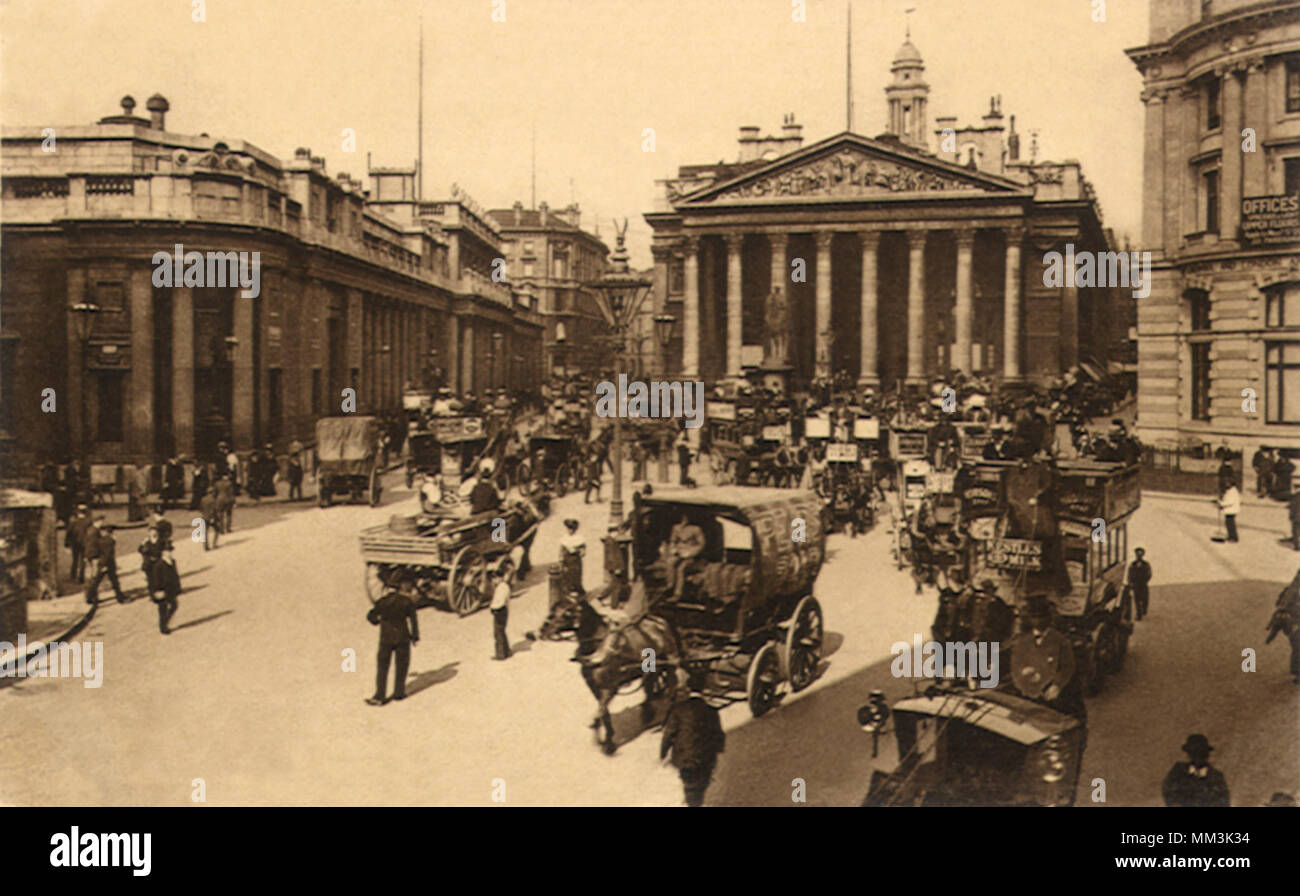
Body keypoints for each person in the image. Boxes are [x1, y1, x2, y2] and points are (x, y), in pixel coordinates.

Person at [1006, 596, 1086, 722]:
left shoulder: (1060, 640)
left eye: (1042, 617)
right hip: (1027, 690)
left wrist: (1057, 685)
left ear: (1049, 619)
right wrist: (1023, 679)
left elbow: (1068, 666)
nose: (1038, 621)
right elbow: (1015, 666)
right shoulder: (1022, 641)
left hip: (1051, 692)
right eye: (1035, 617)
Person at [660, 674, 726, 807]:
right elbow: (719, 735)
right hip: (705, 758)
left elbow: (668, 733)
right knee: (700, 785)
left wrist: (663, 752)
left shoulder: (678, 709)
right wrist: (716, 755)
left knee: (689, 783)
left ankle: (691, 801)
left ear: (688, 689)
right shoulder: (711, 710)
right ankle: (696, 801)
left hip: (684, 757)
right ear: (703, 690)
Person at [365, 573, 420, 705]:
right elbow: (413, 620)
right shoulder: (408, 602)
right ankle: (399, 693)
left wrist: (377, 621)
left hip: (386, 638)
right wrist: (415, 636)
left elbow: (370, 616)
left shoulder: (383, 602)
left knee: (383, 667)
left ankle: (380, 696)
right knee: (402, 666)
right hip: (403, 637)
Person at [1162, 734, 1230, 807]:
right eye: (1194, 753)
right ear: (1189, 754)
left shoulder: (1216, 777)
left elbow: (1223, 802)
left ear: (1207, 755)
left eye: (1202, 753)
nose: (1198, 757)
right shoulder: (1177, 772)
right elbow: (1169, 793)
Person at [84, 519, 127, 605]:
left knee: (97, 581)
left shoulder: (102, 539)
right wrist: (104, 565)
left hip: (103, 563)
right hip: (107, 564)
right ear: (112, 533)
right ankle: (120, 598)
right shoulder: (110, 541)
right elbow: (107, 554)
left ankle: (89, 597)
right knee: (113, 581)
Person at [151, 547, 181, 635]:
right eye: (168, 552)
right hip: (162, 590)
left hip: (171, 589)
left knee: (174, 605)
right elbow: (156, 579)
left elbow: (175, 575)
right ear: (163, 553)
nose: (170, 553)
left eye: (171, 551)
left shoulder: (173, 562)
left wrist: (178, 587)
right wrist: (158, 590)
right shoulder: (159, 565)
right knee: (162, 609)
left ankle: (165, 622)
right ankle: (163, 627)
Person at [490, 559, 514, 661]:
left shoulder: (502, 588)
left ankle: (500, 655)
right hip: (503, 611)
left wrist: (493, 609)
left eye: (495, 579)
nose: (493, 581)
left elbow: (500, 602)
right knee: (502, 631)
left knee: (498, 633)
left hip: (500, 611)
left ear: (499, 578)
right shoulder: (503, 586)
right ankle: (507, 651)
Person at [559, 518, 585, 597]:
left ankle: (577, 589)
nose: (570, 531)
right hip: (566, 559)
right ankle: (568, 591)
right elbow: (561, 550)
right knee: (566, 575)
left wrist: (577, 550)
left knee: (576, 575)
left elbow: (583, 551)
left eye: (572, 529)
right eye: (569, 529)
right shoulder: (564, 538)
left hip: (575, 560)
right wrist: (561, 559)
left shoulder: (579, 538)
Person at [1127, 547, 1152, 621]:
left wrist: (1145, 580)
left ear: (1142, 555)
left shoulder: (1146, 564)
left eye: (1140, 554)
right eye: (1137, 554)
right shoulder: (1133, 564)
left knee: (1145, 599)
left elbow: (1149, 574)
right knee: (1137, 600)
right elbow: (1130, 574)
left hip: (1143, 584)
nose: (1139, 556)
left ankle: (1144, 609)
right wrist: (1130, 582)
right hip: (1136, 584)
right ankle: (1139, 614)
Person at [1219, 478, 1241, 543]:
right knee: (1228, 523)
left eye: (1227, 483)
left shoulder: (1233, 492)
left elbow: (1230, 501)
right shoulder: (1230, 491)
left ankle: (1233, 537)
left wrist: (1221, 503)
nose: (1226, 485)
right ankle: (1230, 536)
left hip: (1232, 510)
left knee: (1230, 524)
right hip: (1230, 510)